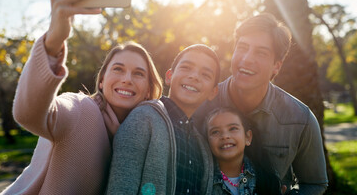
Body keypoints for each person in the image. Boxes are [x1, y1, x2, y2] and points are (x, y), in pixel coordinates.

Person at [0, 0, 163, 195]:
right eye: (118, 69)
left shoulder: (142, 138)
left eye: (138, 73)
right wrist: (53, 42)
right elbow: (29, 114)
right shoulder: (81, 110)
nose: (127, 78)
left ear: (148, 91)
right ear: (103, 80)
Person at [195, 13, 328, 194]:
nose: (247, 58)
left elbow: (315, 183)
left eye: (261, 52)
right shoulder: (201, 105)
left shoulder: (300, 119)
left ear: (277, 66)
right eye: (242, 47)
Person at [106, 44, 221, 194]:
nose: (194, 76)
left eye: (205, 75)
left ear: (213, 92)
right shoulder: (143, 118)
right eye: (186, 68)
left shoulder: (202, 146)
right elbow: (121, 187)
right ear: (169, 76)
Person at [206, 107, 282, 195]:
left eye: (233, 128)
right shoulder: (202, 180)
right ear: (207, 141)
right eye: (215, 132)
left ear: (248, 137)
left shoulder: (266, 177)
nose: (225, 136)